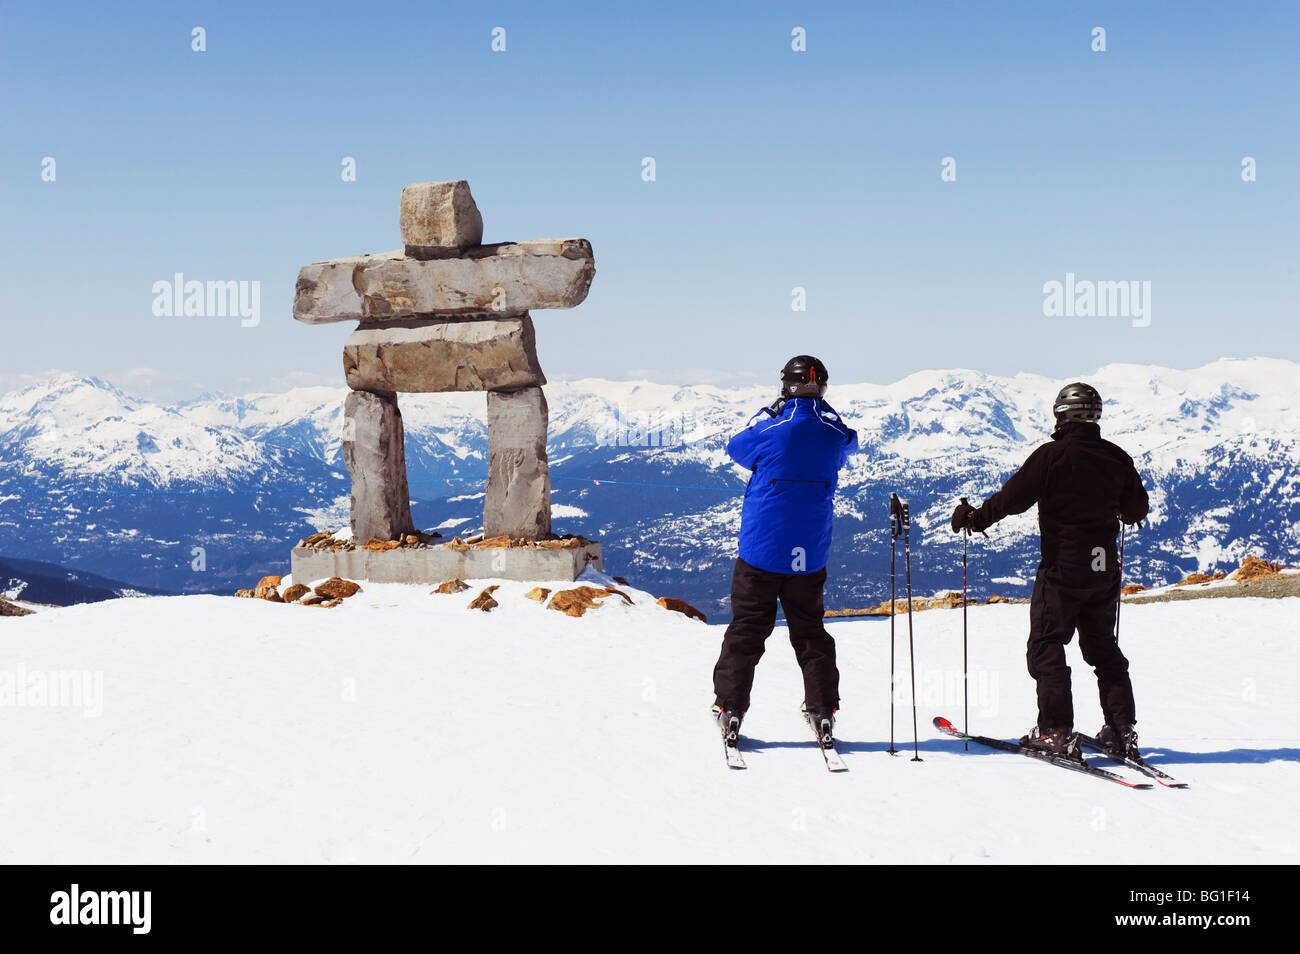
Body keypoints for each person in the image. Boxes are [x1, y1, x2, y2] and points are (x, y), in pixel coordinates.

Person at [950, 382, 1149, 762]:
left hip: (1062, 568)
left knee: (1046, 645)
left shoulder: (1051, 456)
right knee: (1103, 650)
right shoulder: (1116, 457)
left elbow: (1011, 501)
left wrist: (972, 519)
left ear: (1061, 416)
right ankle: (1122, 730)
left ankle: (1055, 731)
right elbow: (1137, 508)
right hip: (1103, 568)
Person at [712, 355, 859, 745]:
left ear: (784, 386)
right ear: (822, 387)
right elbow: (848, 443)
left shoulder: (771, 427)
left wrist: (769, 409)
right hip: (808, 554)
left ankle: (730, 708)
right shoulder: (833, 432)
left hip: (761, 550)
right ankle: (823, 709)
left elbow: (736, 448)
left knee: (746, 631)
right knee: (810, 633)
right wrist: (820, 409)